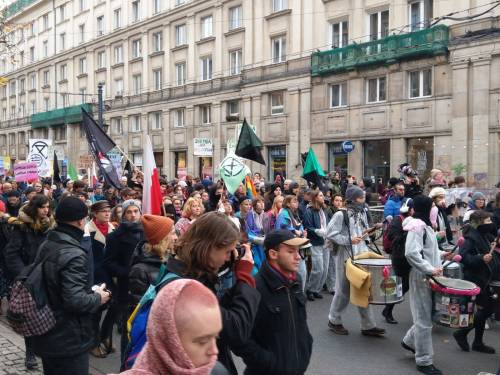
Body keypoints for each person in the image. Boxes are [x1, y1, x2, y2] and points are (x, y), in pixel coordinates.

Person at [164, 212, 261, 374]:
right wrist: (244, 278)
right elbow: (236, 330)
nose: (228, 257)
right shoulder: (185, 290)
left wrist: (229, 266)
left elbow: (219, 308)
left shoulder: (186, 273)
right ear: (208, 247)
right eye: (227, 251)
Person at [31, 196, 111, 375]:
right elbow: (74, 301)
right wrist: (99, 296)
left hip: (48, 330)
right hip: (67, 338)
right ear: (80, 221)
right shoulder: (73, 253)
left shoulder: (49, 241)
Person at [234, 230, 313, 375]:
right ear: (273, 254)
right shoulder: (255, 287)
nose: (298, 257)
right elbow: (240, 337)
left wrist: (306, 348)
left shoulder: (296, 280)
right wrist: (268, 362)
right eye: (290, 252)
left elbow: (301, 323)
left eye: (298, 251)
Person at [117, 279, 228, 375]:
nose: (214, 351)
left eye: (215, 337)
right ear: (168, 340)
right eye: (203, 341)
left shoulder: (216, 371)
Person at [401, 195, 452, 375]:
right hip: (421, 276)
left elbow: (427, 250)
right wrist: (429, 269)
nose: (434, 209)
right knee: (423, 319)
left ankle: (409, 341)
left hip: (428, 274)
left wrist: (442, 253)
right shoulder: (417, 227)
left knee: (427, 316)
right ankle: (423, 361)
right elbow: (411, 253)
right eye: (431, 206)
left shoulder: (425, 226)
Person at [326, 185, 385, 337]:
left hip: (361, 254)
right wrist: (349, 240)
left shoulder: (362, 212)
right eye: (360, 198)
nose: (363, 200)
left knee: (363, 288)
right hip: (345, 256)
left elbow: (360, 233)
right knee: (343, 290)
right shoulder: (341, 215)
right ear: (353, 199)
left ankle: (368, 325)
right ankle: (334, 320)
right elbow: (330, 233)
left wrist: (369, 232)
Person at [4, 194, 55, 369]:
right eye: (43, 207)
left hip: (46, 275)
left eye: (48, 207)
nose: (46, 210)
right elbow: (11, 254)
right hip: (29, 278)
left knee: (48, 314)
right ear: (35, 208)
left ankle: (45, 349)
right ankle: (30, 353)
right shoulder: (22, 227)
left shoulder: (49, 225)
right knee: (29, 316)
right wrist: (24, 275)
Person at [453, 210, 500, 354]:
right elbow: (464, 258)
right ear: (478, 223)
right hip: (475, 280)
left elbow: (492, 247)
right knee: (485, 309)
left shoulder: (484, 235)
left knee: (487, 309)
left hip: (486, 279)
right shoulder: (470, 238)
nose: (490, 224)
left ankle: (476, 341)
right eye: (487, 221)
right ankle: (465, 335)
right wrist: (481, 258)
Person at [103, 199, 144, 360]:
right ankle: (125, 364)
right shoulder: (115, 236)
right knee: (129, 330)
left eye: (135, 211)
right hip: (126, 288)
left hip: (147, 286)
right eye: (129, 212)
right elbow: (108, 263)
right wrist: (127, 272)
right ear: (123, 214)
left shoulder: (146, 232)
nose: (133, 215)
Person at [84, 200, 116, 357]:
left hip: (110, 274)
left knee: (113, 308)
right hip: (95, 276)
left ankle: (105, 337)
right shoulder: (87, 230)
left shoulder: (112, 228)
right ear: (95, 214)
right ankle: (93, 343)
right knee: (95, 312)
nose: (107, 213)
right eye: (103, 211)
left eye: (108, 210)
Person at [129, 214, 176, 304]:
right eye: (173, 233)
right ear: (163, 238)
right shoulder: (139, 270)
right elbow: (141, 305)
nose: (176, 238)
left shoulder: (169, 259)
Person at [381, 198, 414, 324]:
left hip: (406, 258)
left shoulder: (413, 220)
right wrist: (407, 233)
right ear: (409, 209)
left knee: (403, 286)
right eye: (413, 208)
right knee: (397, 285)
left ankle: (388, 309)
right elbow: (392, 236)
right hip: (399, 258)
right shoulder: (398, 219)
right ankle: (388, 310)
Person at [275, 195, 308, 290]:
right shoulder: (283, 214)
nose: (297, 203)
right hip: (287, 246)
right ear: (288, 203)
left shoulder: (295, 213)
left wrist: (303, 233)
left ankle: (299, 292)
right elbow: (280, 230)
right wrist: (294, 231)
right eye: (294, 201)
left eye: (297, 201)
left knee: (302, 271)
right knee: (292, 271)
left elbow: (299, 226)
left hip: (298, 245)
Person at [304, 190, 331, 301]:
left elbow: (328, 224)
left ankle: (316, 289)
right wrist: (317, 231)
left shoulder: (323, 210)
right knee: (318, 268)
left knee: (325, 269)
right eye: (320, 195)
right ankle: (310, 289)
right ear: (315, 198)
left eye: (322, 195)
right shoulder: (309, 211)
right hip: (315, 242)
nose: (323, 197)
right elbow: (308, 226)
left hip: (326, 241)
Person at [325, 194, 343, 295]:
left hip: (339, 239)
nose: (338, 202)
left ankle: (335, 284)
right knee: (331, 264)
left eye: (340, 200)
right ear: (333, 201)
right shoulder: (329, 211)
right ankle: (331, 286)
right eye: (336, 200)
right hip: (331, 239)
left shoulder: (342, 211)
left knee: (336, 263)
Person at [245, 197, 267, 273]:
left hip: (264, 241)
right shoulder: (250, 214)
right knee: (257, 263)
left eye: (263, 202)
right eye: (259, 202)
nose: (262, 204)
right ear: (254, 204)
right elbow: (249, 230)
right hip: (255, 243)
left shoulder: (265, 214)